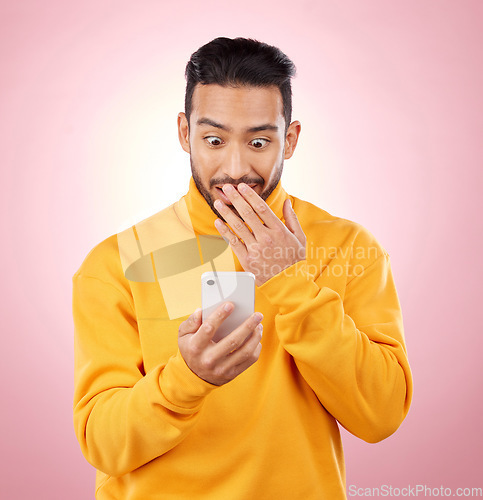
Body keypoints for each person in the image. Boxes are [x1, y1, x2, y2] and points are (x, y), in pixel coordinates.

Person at [72, 37, 413, 499]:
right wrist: (186, 380)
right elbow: (104, 445)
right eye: (214, 139)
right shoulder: (117, 263)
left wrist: (289, 280)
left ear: (289, 140)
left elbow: (381, 414)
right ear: (183, 133)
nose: (235, 166)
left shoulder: (348, 247)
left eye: (258, 141)